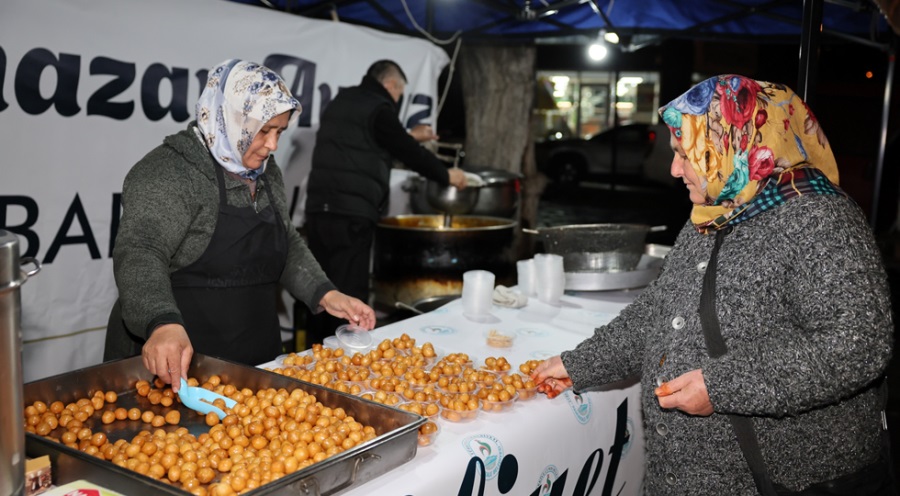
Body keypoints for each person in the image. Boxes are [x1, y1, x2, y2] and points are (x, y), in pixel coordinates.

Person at [531, 75, 896, 495]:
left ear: (733, 145)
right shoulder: (714, 212)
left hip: (781, 481)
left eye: (684, 154)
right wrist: (581, 364)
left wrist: (722, 386)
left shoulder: (821, 220)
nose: (674, 170)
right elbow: (662, 307)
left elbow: (858, 342)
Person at [104, 59, 375, 390]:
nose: (273, 146)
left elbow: (286, 242)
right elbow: (140, 252)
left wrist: (325, 293)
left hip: (253, 359)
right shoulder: (169, 172)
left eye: (280, 132)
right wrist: (161, 323)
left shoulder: (266, 172)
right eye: (264, 131)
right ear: (230, 118)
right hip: (173, 368)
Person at [304, 59, 467, 342]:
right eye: (399, 94)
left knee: (322, 291)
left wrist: (409, 136)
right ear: (391, 84)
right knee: (349, 292)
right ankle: (346, 355)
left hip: (319, 209)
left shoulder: (343, 100)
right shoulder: (379, 108)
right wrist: (446, 174)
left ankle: (313, 354)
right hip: (352, 213)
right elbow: (406, 150)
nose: (398, 100)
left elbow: (365, 142)